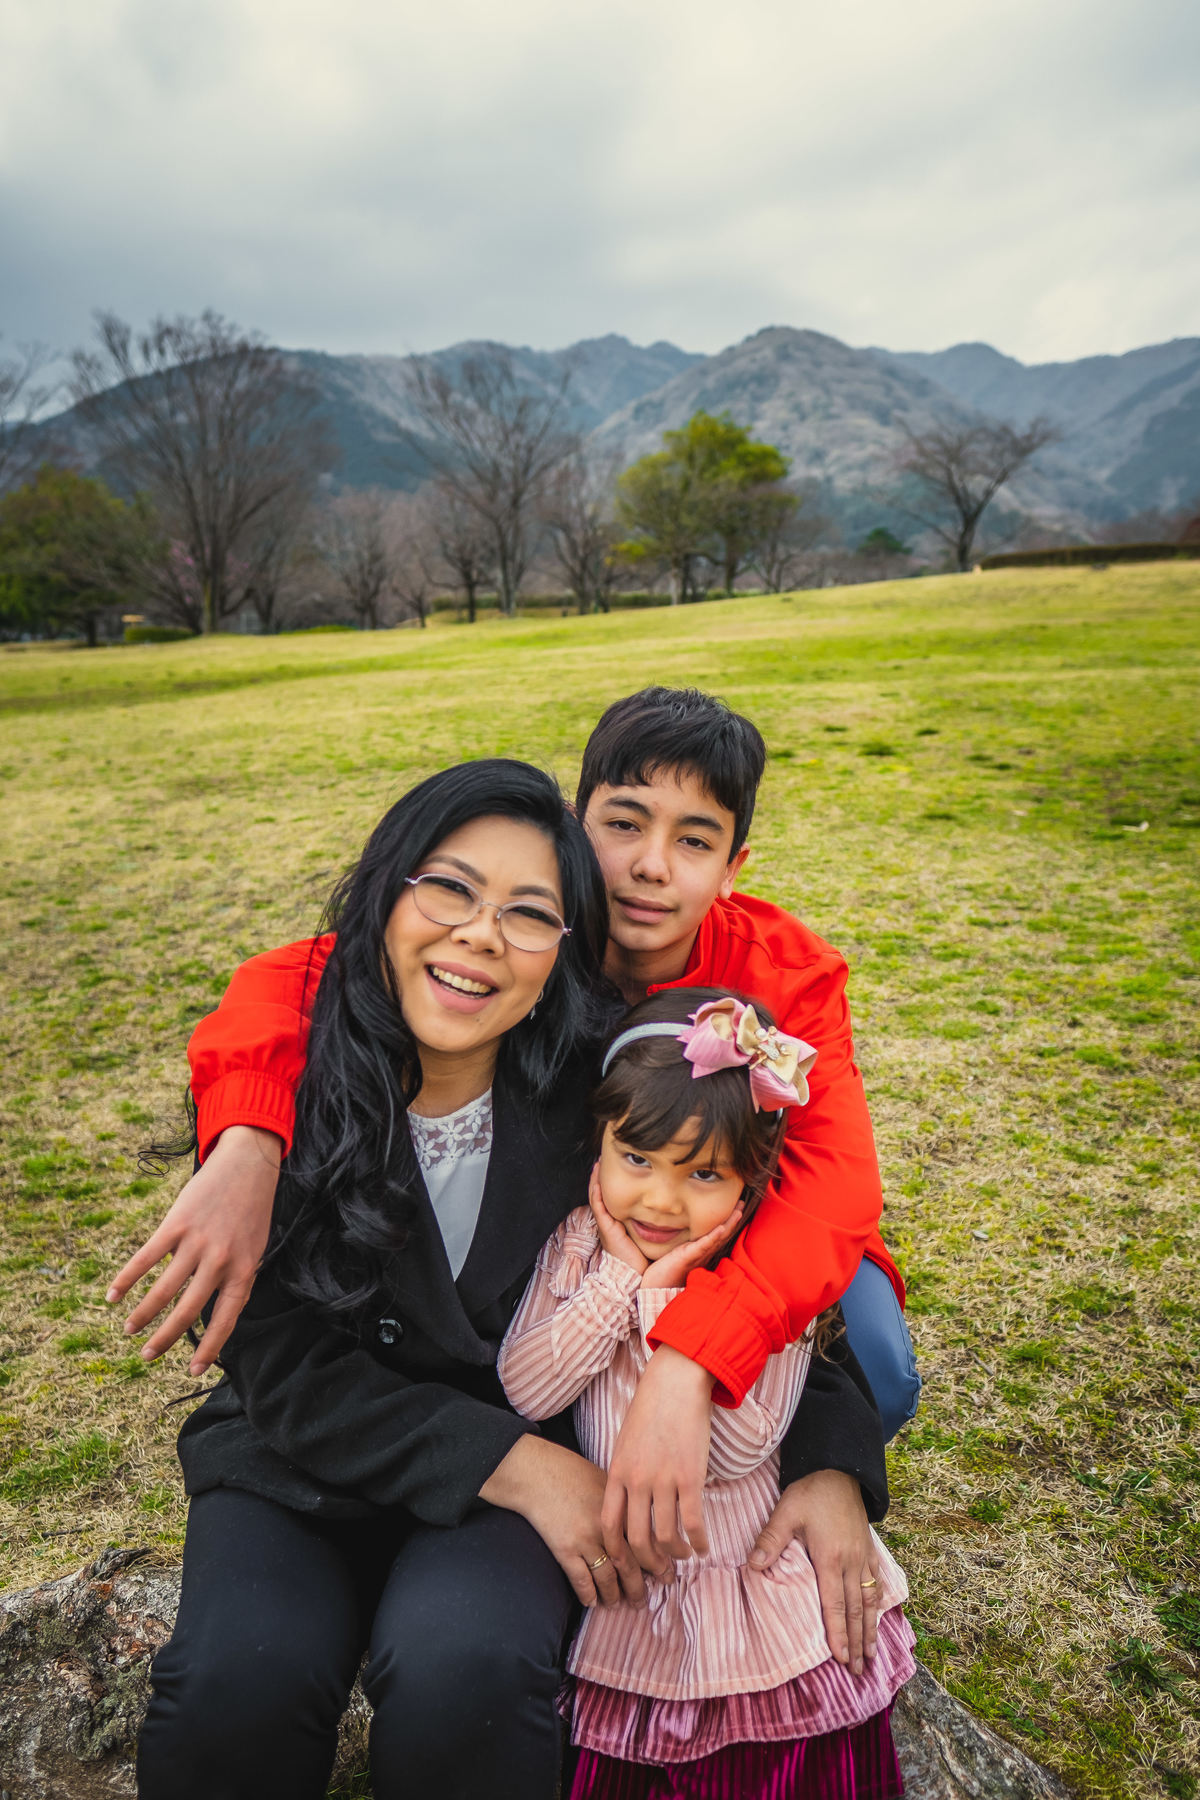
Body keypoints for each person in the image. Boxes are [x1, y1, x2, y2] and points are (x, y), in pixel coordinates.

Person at [111, 685, 916, 1669]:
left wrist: (754, 1404)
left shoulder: (780, 973)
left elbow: (822, 1192)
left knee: (877, 1358)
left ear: (734, 865)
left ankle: (744, 1484)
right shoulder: (516, 939)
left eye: (695, 840)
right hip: (572, 1276)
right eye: (625, 823)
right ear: (580, 824)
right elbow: (303, 976)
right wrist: (246, 1134)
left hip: (741, 1219)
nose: (651, 865)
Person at [499, 989, 915, 1800]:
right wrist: (616, 1282)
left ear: (751, 1181)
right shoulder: (580, 1244)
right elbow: (526, 1386)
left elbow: (738, 1446)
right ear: (599, 1141)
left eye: (702, 1174)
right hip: (638, 1581)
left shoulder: (763, 1279)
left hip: (740, 1566)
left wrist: (665, 1304)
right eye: (636, 1159)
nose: (660, 1201)